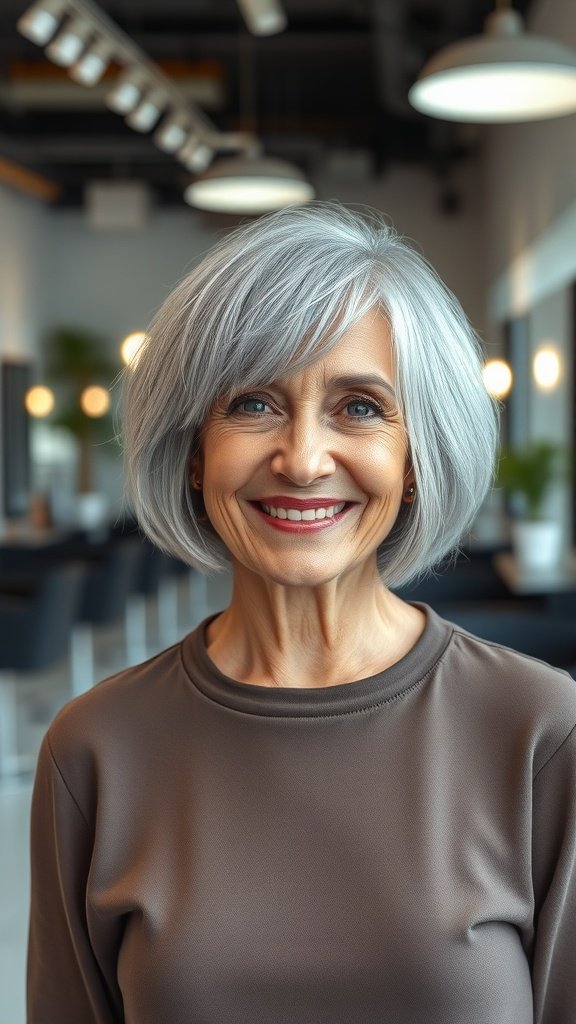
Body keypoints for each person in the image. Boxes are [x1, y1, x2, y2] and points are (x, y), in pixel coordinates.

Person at [28, 203, 576, 1024]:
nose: (304, 459)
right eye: (253, 403)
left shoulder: (540, 731)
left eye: (359, 407)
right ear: (193, 452)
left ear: (416, 456)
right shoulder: (95, 747)